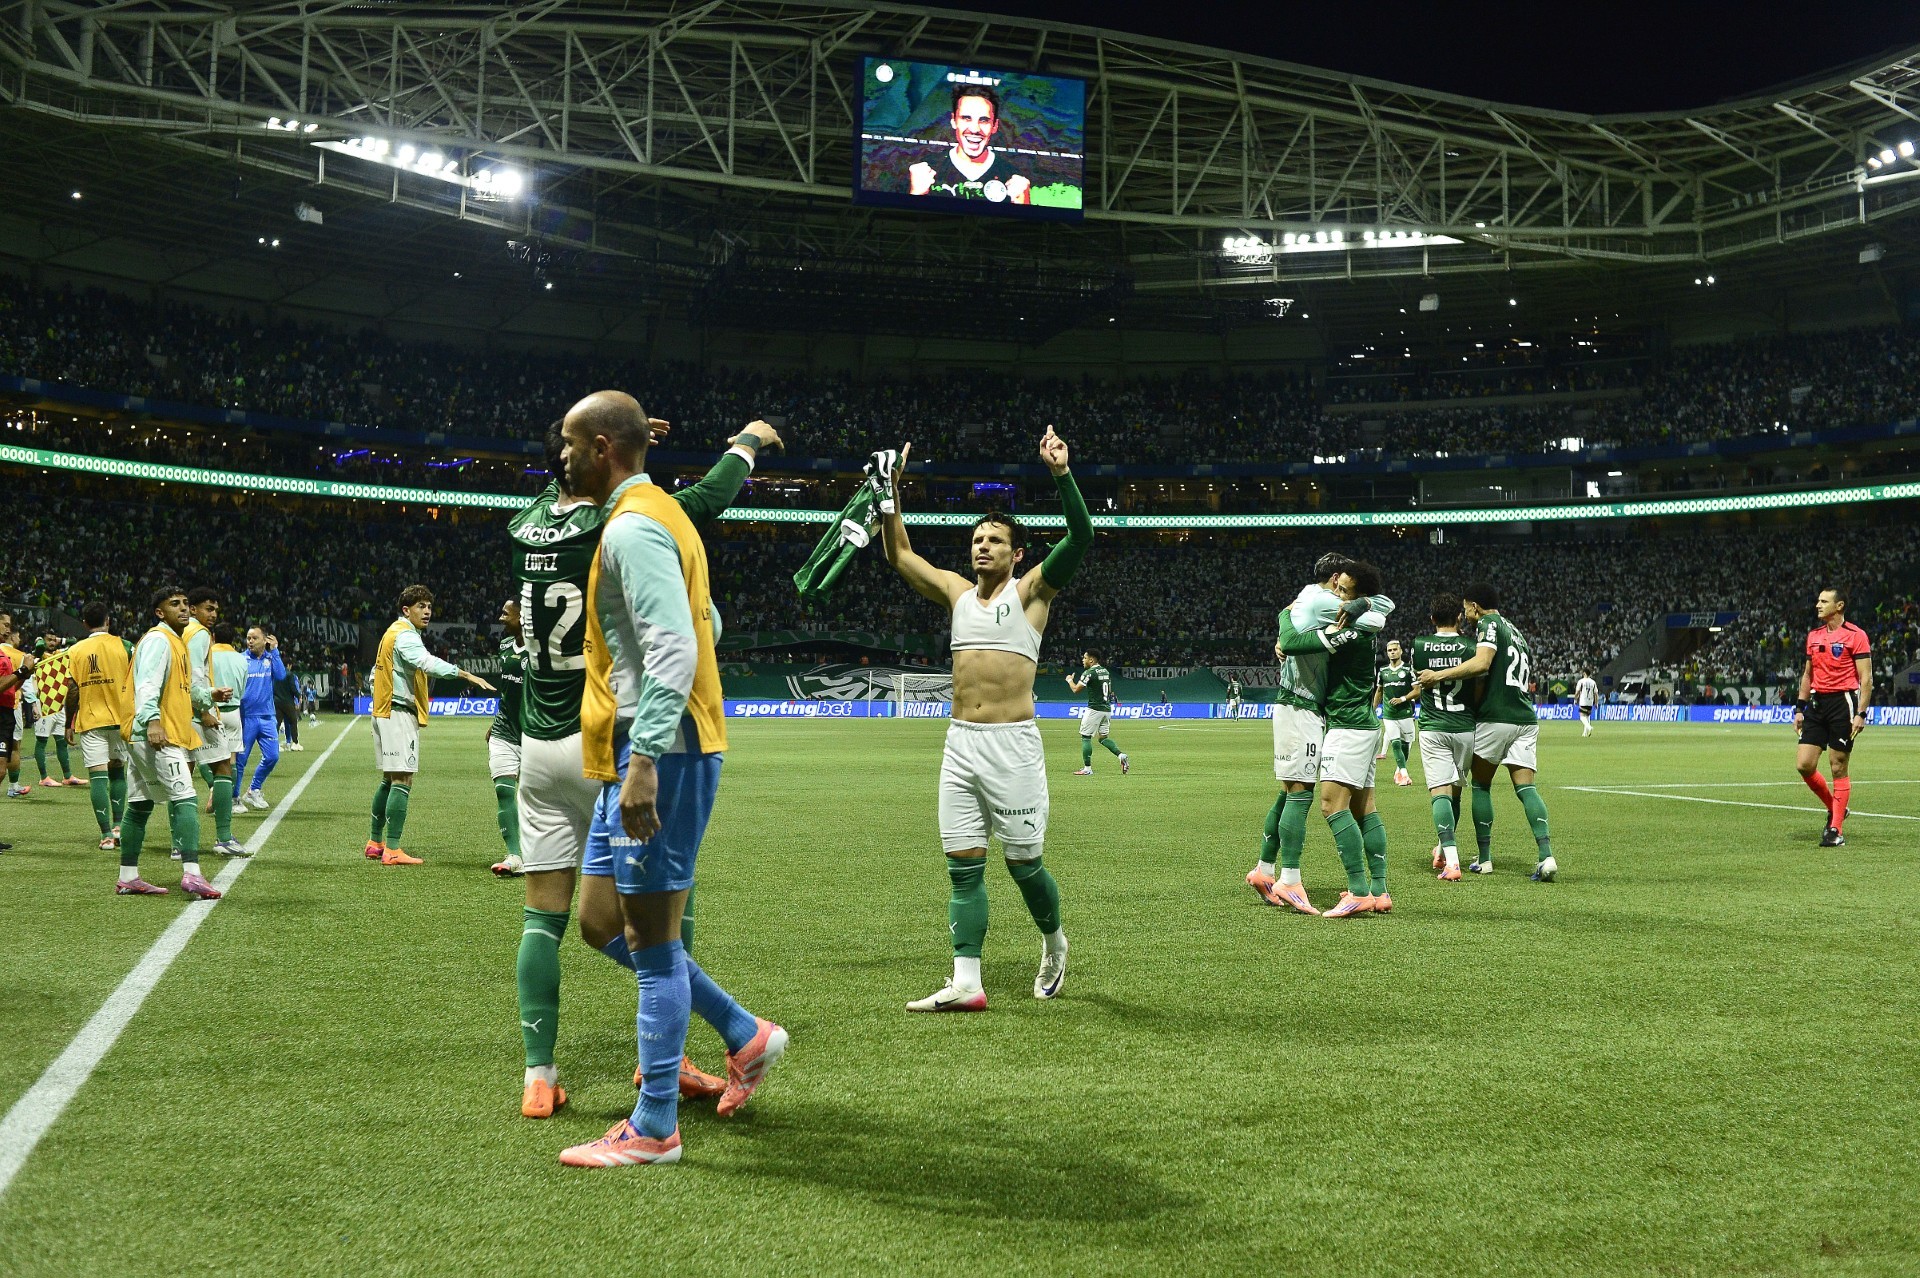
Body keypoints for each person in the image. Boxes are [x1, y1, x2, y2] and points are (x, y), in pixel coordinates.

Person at [510, 415, 776, 1122]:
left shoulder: (540, 526)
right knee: (615, 922)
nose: (566, 454)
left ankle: (594, 1095)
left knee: (592, 924)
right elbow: (708, 506)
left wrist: (649, 754)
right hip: (603, 741)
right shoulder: (630, 520)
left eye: (575, 442)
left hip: (573, 740)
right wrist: (744, 445)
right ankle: (718, 1042)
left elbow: (673, 643)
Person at [880, 427, 1087, 1012]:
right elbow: (899, 554)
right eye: (977, 540)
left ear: (1016, 552)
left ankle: (1053, 942)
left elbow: (1082, 536)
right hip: (960, 746)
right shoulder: (955, 594)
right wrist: (892, 494)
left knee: (1024, 866)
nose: (982, 547)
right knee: (963, 866)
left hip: (1013, 747)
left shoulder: (1032, 594)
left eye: (995, 540)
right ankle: (967, 981)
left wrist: (1061, 474)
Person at [1245, 553, 1382, 914]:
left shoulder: (1309, 597)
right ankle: (1289, 880)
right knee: (1303, 795)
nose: (1342, 596)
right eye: (1342, 587)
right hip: (1302, 706)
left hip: (1310, 709)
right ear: (1335, 578)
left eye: (1348, 592)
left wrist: (1284, 619)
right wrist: (1284, 627)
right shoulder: (1325, 603)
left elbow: (1381, 608)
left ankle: (1265, 869)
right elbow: (1381, 613)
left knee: (1290, 789)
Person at [1416, 581, 1557, 881]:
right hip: (1525, 718)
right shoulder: (1516, 631)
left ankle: (1484, 858)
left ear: (1475, 607)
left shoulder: (1489, 623)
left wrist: (1437, 675)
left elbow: (1482, 664)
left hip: (1497, 717)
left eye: (1466, 607)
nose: (1465, 614)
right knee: (1526, 788)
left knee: (1481, 786)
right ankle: (1546, 856)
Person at [364, 587, 495, 865]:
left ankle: (376, 842)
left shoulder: (391, 633)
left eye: (429, 607)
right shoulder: (406, 635)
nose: (427, 612)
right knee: (402, 779)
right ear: (406, 610)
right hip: (397, 712)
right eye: (421, 606)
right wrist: (464, 674)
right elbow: (426, 662)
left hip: (384, 710)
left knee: (388, 778)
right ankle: (394, 850)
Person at [116, 585, 230, 899]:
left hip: (144, 734)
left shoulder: (175, 642)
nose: (183, 609)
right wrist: (152, 720)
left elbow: (182, 690)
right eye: (174, 604)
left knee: (139, 805)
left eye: (184, 604)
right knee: (186, 799)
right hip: (157, 734)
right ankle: (192, 874)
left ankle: (128, 876)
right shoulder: (158, 640)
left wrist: (210, 695)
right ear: (159, 612)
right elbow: (147, 685)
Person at [1400, 595, 1477, 881]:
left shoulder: (1418, 647)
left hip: (1434, 725)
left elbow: (1418, 683)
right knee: (1455, 791)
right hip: (1466, 727)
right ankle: (1444, 849)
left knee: (1440, 792)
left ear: (1432, 619)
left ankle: (1452, 862)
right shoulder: (1472, 647)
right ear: (1459, 617)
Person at [1793, 586, 1872, 847]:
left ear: (1839, 606)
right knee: (1804, 764)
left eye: (1824, 601)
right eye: (1818, 600)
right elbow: (1807, 674)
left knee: (1838, 766)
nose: (1818, 604)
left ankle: (1835, 829)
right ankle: (1836, 807)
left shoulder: (1856, 635)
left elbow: (1866, 678)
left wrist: (1861, 713)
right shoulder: (1813, 636)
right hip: (1817, 703)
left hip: (1843, 703)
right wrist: (1800, 708)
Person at [183, 587, 246, 858]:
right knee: (223, 767)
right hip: (198, 711)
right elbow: (196, 676)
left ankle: (179, 844)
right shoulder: (198, 634)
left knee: (183, 775)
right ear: (193, 609)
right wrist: (205, 709)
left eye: (216, 609)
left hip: (177, 712)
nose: (213, 614)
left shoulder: (178, 632)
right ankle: (223, 837)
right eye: (208, 608)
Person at [66, 603, 131, 849]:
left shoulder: (76, 650)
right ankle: (118, 826)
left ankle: (105, 835)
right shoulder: (124, 646)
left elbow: (73, 689)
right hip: (120, 719)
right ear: (108, 621)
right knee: (117, 772)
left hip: (91, 721)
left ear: (84, 623)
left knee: (97, 777)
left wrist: (68, 723)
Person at [908, 85, 1032, 204]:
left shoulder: (1013, 175)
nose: (974, 129)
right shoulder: (926, 170)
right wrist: (916, 193)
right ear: (953, 121)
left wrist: (1024, 204)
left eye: (984, 120)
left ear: (995, 125)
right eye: (966, 118)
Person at [487, 598, 527, 878]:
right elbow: (506, 691)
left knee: (538, 799)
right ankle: (514, 855)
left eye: (505, 614)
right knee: (504, 790)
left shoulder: (544, 652)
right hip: (504, 731)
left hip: (538, 734)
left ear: (523, 617)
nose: (501, 618)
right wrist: (495, 722)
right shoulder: (503, 647)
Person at [234, 627, 286, 810]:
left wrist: (276, 651)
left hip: (267, 717)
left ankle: (253, 790)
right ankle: (234, 798)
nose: (250, 641)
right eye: (248, 638)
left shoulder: (271, 658)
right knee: (240, 760)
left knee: (272, 756)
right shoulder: (240, 659)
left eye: (254, 638)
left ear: (265, 640)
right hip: (246, 717)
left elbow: (281, 676)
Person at [30, 632, 80, 788]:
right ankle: (44, 777)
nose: (52, 642)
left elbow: (75, 641)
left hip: (60, 704)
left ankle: (67, 776)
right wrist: (40, 641)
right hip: (44, 703)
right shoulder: (38, 655)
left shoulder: (60, 654)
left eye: (53, 640)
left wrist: (60, 640)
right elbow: (38, 647)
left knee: (61, 741)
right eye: (49, 640)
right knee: (42, 740)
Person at [1066, 652, 1128, 776]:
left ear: (1092, 660)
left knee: (1086, 736)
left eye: (1085, 658)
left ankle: (1087, 768)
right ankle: (1121, 755)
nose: (1083, 660)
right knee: (1103, 738)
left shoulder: (1089, 673)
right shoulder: (1105, 671)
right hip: (1106, 709)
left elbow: (1076, 689)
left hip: (1094, 709)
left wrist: (1069, 680)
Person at [1374, 639, 1416, 786]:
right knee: (1396, 744)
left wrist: (1402, 699)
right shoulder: (1383, 671)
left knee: (1406, 745)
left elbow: (1417, 691)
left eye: (1394, 650)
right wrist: (1373, 710)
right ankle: (1404, 775)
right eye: (1389, 650)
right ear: (1387, 653)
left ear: (1400, 651)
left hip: (1405, 713)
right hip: (1389, 714)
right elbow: (1379, 691)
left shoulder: (1408, 670)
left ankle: (1399, 770)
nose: (1392, 652)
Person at [0, 615, 34, 798]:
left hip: (6, 712)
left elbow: (10, 687)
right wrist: (21, 670)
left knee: (1, 769)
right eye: (5, 625)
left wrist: (23, 676)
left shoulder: (4, 655)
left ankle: (13, 786)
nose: (8, 629)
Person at [1575, 670, 1600, 737]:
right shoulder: (1593, 682)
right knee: (1587, 716)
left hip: (1583, 700)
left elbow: (1577, 691)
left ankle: (1589, 727)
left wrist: (1575, 699)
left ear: (1584, 673)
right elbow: (1596, 694)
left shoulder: (1581, 681)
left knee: (1582, 717)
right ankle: (1585, 733)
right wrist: (1596, 702)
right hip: (1590, 701)